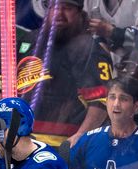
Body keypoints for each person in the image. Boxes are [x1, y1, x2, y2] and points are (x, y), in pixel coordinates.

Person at [16, 0, 114, 146]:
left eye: (67, 8)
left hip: (62, 144)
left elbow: (101, 103)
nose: (58, 14)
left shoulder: (89, 50)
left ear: (80, 13)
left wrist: (80, 137)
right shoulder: (29, 41)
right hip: (23, 140)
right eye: (53, 7)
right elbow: (5, 83)